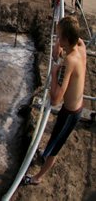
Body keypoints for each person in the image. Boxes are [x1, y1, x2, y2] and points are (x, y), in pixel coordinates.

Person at [23, 16, 86, 186]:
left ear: (65, 39)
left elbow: (56, 99)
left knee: (54, 149)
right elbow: (75, 38)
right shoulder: (81, 47)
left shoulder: (69, 61)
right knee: (53, 143)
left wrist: (54, 73)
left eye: (59, 37)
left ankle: (37, 177)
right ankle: (45, 153)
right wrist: (59, 46)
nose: (57, 39)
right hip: (77, 107)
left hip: (69, 113)